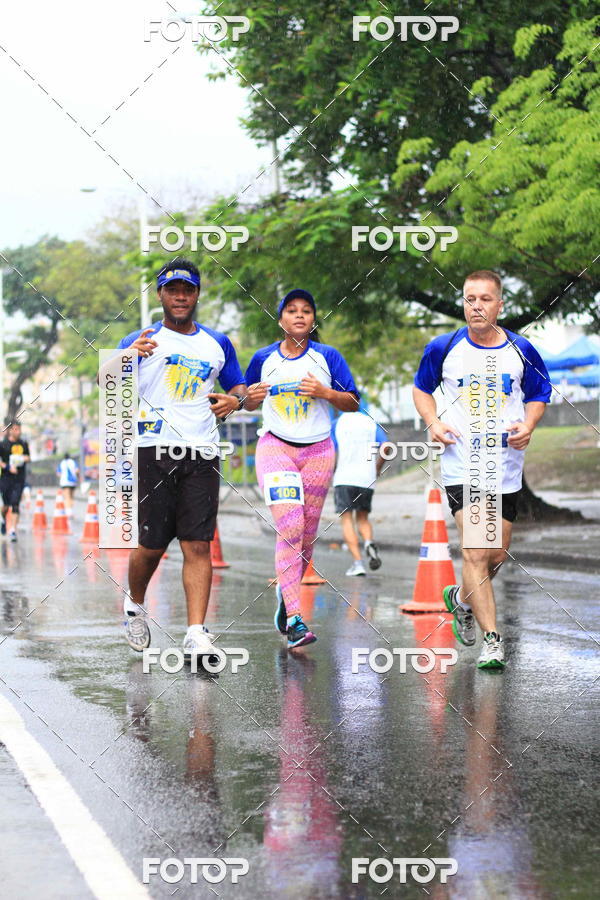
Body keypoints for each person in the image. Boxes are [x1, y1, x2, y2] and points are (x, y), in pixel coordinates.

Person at [412, 270, 551, 670]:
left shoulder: (522, 348)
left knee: (494, 556)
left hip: (505, 467)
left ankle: (459, 598)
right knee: (476, 550)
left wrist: (528, 425)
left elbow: (540, 393)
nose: (476, 306)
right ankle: (492, 641)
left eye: (485, 299)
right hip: (462, 465)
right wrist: (434, 422)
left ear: (499, 304)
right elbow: (422, 389)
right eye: (469, 298)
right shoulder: (445, 346)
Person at [114, 258, 246, 661]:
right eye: (173, 290)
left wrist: (235, 400)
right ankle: (135, 604)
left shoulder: (217, 343)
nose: (181, 297)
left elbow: (237, 387)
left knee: (198, 545)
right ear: (161, 295)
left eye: (187, 290)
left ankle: (195, 632)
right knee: (152, 545)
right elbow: (109, 385)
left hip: (202, 452)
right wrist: (125, 359)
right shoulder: (141, 338)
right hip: (153, 450)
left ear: (197, 294)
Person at [244, 289, 359, 648]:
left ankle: (285, 594)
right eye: (291, 311)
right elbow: (244, 401)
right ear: (280, 320)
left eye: (306, 311)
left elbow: (353, 401)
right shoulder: (263, 358)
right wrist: (250, 398)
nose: (298, 316)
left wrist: (325, 393)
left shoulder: (328, 357)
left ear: (313, 320)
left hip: (319, 451)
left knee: (306, 537)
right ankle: (295, 619)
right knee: (290, 524)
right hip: (275, 446)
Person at [332, 406, 386, 576]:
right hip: (366, 479)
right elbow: (386, 447)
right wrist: (377, 468)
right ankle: (369, 542)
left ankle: (358, 563)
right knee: (363, 518)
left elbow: (330, 451)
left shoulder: (337, 423)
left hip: (344, 478)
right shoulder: (371, 423)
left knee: (347, 519)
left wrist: (331, 471)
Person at [0, 422, 30, 541]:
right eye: (16, 429)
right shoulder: (3, 445)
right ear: (11, 430)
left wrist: (22, 458)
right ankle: (3, 521)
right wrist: (7, 467)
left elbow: (28, 457)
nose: (19, 432)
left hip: (19, 479)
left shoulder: (23, 444)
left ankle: (13, 530)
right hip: (6, 479)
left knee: (15, 504)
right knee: (6, 506)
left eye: (19, 429)